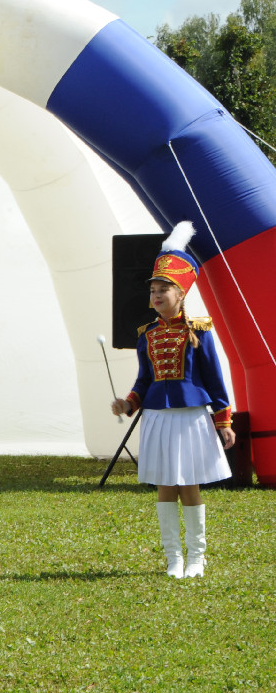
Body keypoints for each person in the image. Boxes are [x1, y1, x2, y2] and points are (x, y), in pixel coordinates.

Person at [110, 221, 235, 578]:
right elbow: (143, 380)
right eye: (153, 291)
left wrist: (223, 420)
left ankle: (197, 557)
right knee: (166, 487)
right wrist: (128, 404)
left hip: (192, 417)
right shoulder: (145, 336)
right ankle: (173, 559)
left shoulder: (200, 332)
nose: (157, 295)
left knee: (189, 486)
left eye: (164, 289)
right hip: (159, 418)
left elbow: (214, 379)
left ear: (181, 293)